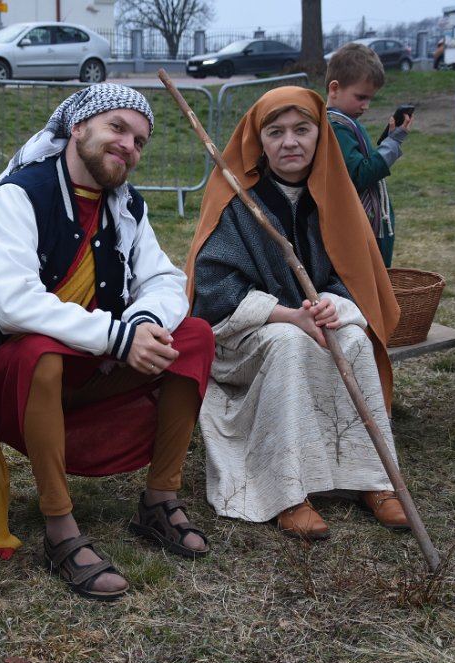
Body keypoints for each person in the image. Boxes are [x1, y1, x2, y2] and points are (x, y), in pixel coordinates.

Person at [0, 83, 215, 601]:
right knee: (41, 351)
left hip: (89, 367)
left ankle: (159, 500)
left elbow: (166, 281)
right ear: (77, 127)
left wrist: (142, 322)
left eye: (139, 140)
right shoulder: (19, 195)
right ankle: (60, 527)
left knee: (193, 336)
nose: (128, 145)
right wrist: (119, 338)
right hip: (7, 383)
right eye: (117, 128)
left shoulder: (127, 206)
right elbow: (14, 306)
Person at [185, 86, 409, 540]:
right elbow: (213, 287)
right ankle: (287, 491)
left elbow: (354, 276)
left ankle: (372, 478)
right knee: (289, 342)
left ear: (319, 135)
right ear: (259, 141)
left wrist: (332, 305)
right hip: (247, 335)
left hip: (316, 321)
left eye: (302, 130)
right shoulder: (237, 200)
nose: (290, 142)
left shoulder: (334, 197)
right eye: (276, 132)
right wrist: (286, 316)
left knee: (353, 338)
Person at [325, 43, 413, 267]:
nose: (366, 106)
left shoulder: (346, 123)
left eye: (370, 99)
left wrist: (390, 140)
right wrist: (392, 145)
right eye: (361, 97)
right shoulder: (336, 127)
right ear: (334, 89)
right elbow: (358, 174)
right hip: (360, 229)